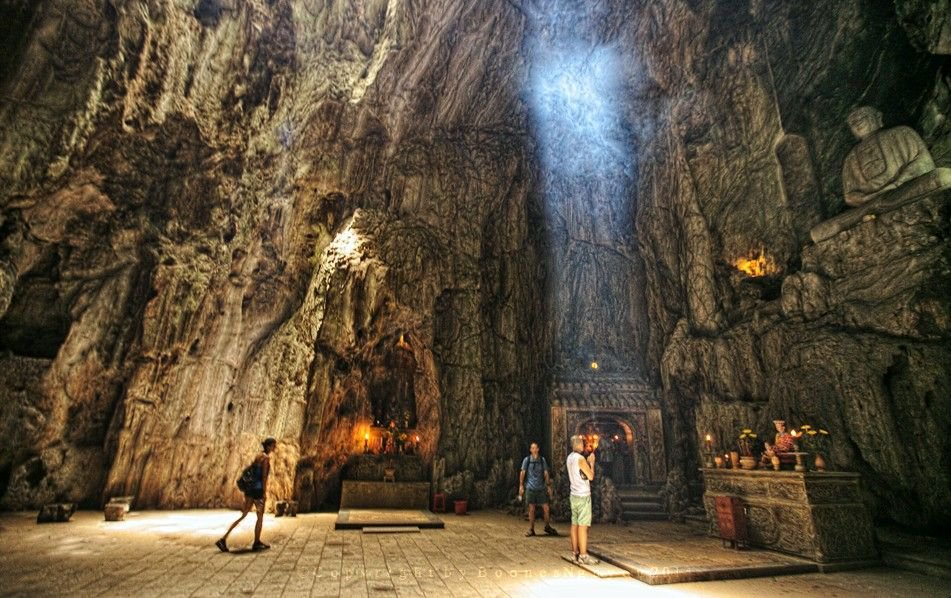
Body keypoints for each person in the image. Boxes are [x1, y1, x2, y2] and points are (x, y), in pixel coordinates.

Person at [217, 437, 277, 552]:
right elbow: (263, 477)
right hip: (258, 491)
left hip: (250, 490)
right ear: (269, 446)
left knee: (243, 515)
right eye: (273, 445)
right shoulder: (265, 459)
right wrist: (264, 493)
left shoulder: (258, 456)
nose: (275, 448)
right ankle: (257, 542)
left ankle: (223, 539)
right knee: (260, 517)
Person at [566, 435, 599, 565]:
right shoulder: (580, 459)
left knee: (574, 524)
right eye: (581, 443)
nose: (583, 445)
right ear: (577, 445)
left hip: (573, 494)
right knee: (583, 526)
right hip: (583, 495)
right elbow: (590, 476)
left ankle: (574, 553)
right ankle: (583, 555)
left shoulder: (570, 457)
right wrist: (591, 463)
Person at [518, 442, 557, 537]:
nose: (534, 450)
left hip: (541, 488)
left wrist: (548, 486)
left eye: (535, 448)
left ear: (538, 449)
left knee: (546, 508)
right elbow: (523, 473)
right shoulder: (527, 460)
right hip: (530, 488)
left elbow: (546, 473)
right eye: (532, 448)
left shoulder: (542, 460)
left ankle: (547, 526)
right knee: (531, 509)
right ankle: (531, 529)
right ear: (530, 450)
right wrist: (521, 486)